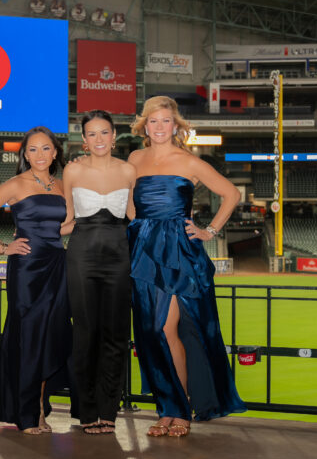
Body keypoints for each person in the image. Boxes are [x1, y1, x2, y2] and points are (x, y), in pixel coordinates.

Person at [127, 96, 246, 437]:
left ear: (175, 125)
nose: (159, 126)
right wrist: (137, 226)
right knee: (149, 333)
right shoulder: (134, 158)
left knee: (166, 329)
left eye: (166, 120)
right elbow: (128, 202)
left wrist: (210, 231)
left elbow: (232, 194)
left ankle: (180, 410)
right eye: (153, 121)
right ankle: (167, 409)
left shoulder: (190, 161)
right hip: (143, 251)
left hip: (178, 253)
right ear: (144, 126)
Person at [0, 126, 72, 434]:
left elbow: (63, 227)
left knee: (49, 338)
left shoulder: (63, 185)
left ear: (55, 152)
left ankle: (39, 408)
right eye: (33, 149)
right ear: (25, 154)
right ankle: (26, 414)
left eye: (46, 148)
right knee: (28, 337)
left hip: (56, 265)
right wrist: (2, 247)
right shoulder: (16, 184)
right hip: (26, 268)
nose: (40, 154)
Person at [62, 110, 136, 435]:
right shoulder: (73, 169)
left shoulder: (128, 170)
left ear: (114, 135)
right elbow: (67, 218)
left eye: (104, 132)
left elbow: (134, 216)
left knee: (116, 334)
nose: (99, 139)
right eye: (91, 134)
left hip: (120, 257)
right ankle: (87, 410)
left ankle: (109, 409)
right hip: (81, 256)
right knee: (85, 333)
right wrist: (35, 233)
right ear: (84, 139)